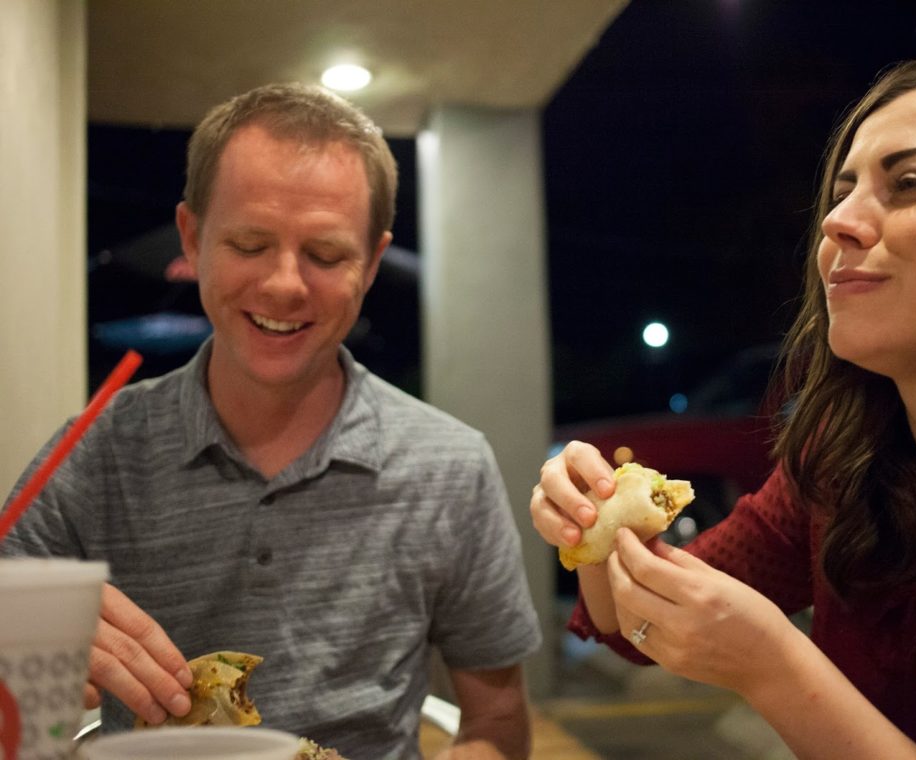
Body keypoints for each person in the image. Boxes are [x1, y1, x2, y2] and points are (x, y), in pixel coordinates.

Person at [531, 54, 916, 759]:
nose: (837, 224)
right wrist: (594, 531)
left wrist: (775, 667)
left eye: (911, 184)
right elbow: (637, 635)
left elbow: (743, 653)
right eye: (843, 192)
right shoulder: (844, 460)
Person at [1, 82, 541, 759]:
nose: (285, 284)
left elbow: (496, 725)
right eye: (250, 243)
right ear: (193, 239)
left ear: (372, 262)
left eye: (325, 255)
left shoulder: (451, 467)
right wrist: (23, 642)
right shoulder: (97, 453)